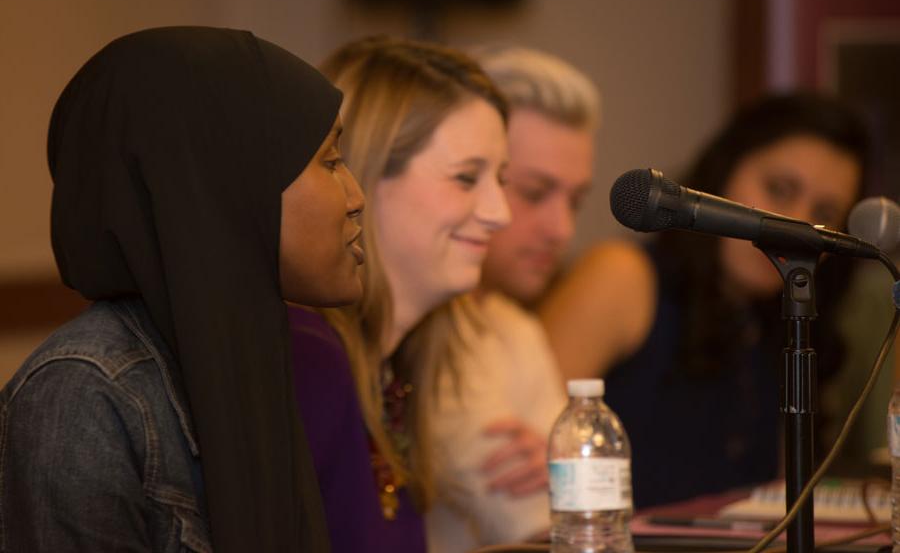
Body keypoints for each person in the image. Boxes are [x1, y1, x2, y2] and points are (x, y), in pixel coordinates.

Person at [0, 26, 366, 552]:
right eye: (331, 162)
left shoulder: (253, 349)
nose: (355, 196)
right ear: (225, 182)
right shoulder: (84, 394)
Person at [539, 91, 869, 508]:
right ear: (724, 173)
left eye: (823, 211)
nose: (797, 224)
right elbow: (527, 451)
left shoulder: (783, 317)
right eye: (780, 190)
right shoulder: (623, 276)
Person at [288, 36, 510, 552]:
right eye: (466, 178)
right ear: (363, 176)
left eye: (501, 179)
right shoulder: (306, 358)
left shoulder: (394, 374)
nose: (501, 212)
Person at [426, 46, 600, 552]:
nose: (561, 229)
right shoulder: (426, 324)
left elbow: (580, 514)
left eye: (574, 200)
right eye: (533, 191)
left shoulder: (514, 327)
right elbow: (540, 521)